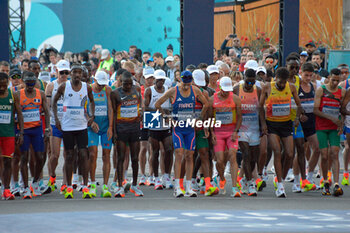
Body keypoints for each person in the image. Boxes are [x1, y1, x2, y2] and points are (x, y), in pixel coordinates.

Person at [155, 71, 208, 198]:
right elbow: (158, 104)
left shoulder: (195, 90)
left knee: (190, 156)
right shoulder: (173, 91)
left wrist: (199, 118)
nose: (186, 86)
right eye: (184, 84)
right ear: (181, 81)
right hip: (178, 128)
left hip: (190, 128)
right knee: (179, 154)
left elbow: (206, 104)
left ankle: (188, 186)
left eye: (188, 84)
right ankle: (178, 186)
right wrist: (167, 118)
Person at [53, 64, 95, 199]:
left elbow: (92, 101)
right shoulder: (64, 86)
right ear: (71, 74)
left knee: (83, 154)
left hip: (81, 126)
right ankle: (69, 186)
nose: (77, 75)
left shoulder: (86, 87)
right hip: (67, 126)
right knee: (69, 155)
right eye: (75, 72)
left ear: (82, 74)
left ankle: (85, 185)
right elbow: (53, 102)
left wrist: (92, 115)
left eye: (79, 72)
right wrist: (57, 120)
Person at [260, 67, 302, 198]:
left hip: (286, 124)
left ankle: (280, 178)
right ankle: (280, 185)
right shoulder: (267, 87)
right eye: (280, 82)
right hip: (272, 124)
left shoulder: (292, 87)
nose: (282, 85)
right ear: (275, 78)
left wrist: (296, 118)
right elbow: (260, 107)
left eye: (284, 82)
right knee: (277, 151)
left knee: (290, 153)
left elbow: (299, 105)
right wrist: (263, 124)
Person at [17, 71, 50, 199]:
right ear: (23, 82)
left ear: (35, 82)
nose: (30, 85)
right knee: (24, 158)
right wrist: (18, 132)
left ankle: (35, 182)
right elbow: (17, 114)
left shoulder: (40, 93)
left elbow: (46, 112)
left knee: (40, 157)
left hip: (36, 129)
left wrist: (47, 129)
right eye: (28, 83)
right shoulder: (17, 95)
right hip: (24, 130)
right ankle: (25, 187)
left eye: (32, 83)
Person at [110, 71, 143, 198]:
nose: (128, 86)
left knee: (135, 158)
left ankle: (134, 184)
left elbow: (140, 105)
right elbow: (113, 112)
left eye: (130, 84)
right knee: (121, 158)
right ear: (120, 82)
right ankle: (119, 186)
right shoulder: (115, 93)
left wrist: (140, 114)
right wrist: (113, 132)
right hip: (121, 129)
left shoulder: (137, 90)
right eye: (125, 84)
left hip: (134, 129)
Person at [209, 76, 242, 197]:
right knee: (220, 160)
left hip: (231, 132)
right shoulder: (212, 99)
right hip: (218, 132)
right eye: (224, 89)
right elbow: (209, 118)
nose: (226, 92)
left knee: (232, 156)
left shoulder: (235, 99)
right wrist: (212, 132)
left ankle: (234, 188)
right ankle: (221, 177)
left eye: (228, 90)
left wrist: (236, 131)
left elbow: (239, 117)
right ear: (220, 87)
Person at [315, 68, 345, 196]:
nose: (334, 83)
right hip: (321, 127)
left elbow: (342, 110)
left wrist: (341, 123)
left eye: (337, 81)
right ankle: (325, 180)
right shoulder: (321, 89)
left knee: (335, 152)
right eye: (333, 80)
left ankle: (336, 183)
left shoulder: (342, 92)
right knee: (325, 154)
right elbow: (315, 110)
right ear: (329, 78)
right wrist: (332, 118)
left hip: (334, 128)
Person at [42, 60, 70, 194]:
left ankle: (65, 183)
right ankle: (52, 176)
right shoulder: (51, 85)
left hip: (69, 124)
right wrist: (48, 125)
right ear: (56, 71)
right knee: (54, 155)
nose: (64, 75)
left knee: (68, 155)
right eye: (61, 72)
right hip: (55, 122)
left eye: (66, 72)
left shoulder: (72, 85)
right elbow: (47, 108)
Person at [143, 70, 173, 190]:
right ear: (155, 79)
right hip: (154, 123)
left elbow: (171, 105)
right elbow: (146, 108)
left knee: (169, 149)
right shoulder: (149, 90)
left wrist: (167, 113)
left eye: (162, 80)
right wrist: (159, 111)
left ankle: (166, 176)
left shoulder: (168, 89)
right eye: (158, 79)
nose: (160, 82)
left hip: (166, 123)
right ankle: (155, 178)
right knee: (154, 152)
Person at [233, 69, 261, 196]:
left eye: (252, 82)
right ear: (244, 79)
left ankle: (244, 179)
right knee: (246, 154)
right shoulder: (236, 89)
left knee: (254, 158)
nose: (250, 85)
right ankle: (251, 184)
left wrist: (263, 125)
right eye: (248, 82)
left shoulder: (258, 90)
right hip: (241, 128)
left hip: (254, 128)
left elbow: (261, 110)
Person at [192, 69, 219, 196]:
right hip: (185, 128)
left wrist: (207, 128)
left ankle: (208, 184)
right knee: (188, 154)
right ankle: (187, 182)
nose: (200, 86)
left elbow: (208, 111)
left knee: (204, 153)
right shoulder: (180, 91)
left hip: (200, 127)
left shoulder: (205, 93)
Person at [88, 71, 113, 198]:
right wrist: (91, 121)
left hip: (105, 127)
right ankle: (92, 184)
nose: (101, 87)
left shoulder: (107, 89)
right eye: (99, 84)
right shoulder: (88, 88)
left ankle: (105, 185)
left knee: (106, 155)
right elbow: (83, 107)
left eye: (103, 84)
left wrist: (110, 127)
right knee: (92, 154)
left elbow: (110, 108)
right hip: (92, 127)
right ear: (94, 80)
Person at [0, 72, 23, 200]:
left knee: (8, 161)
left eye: (4, 85)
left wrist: (21, 132)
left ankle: (7, 189)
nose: (2, 88)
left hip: (9, 134)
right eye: (0, 85)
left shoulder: (13, 95)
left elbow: (19, 114)